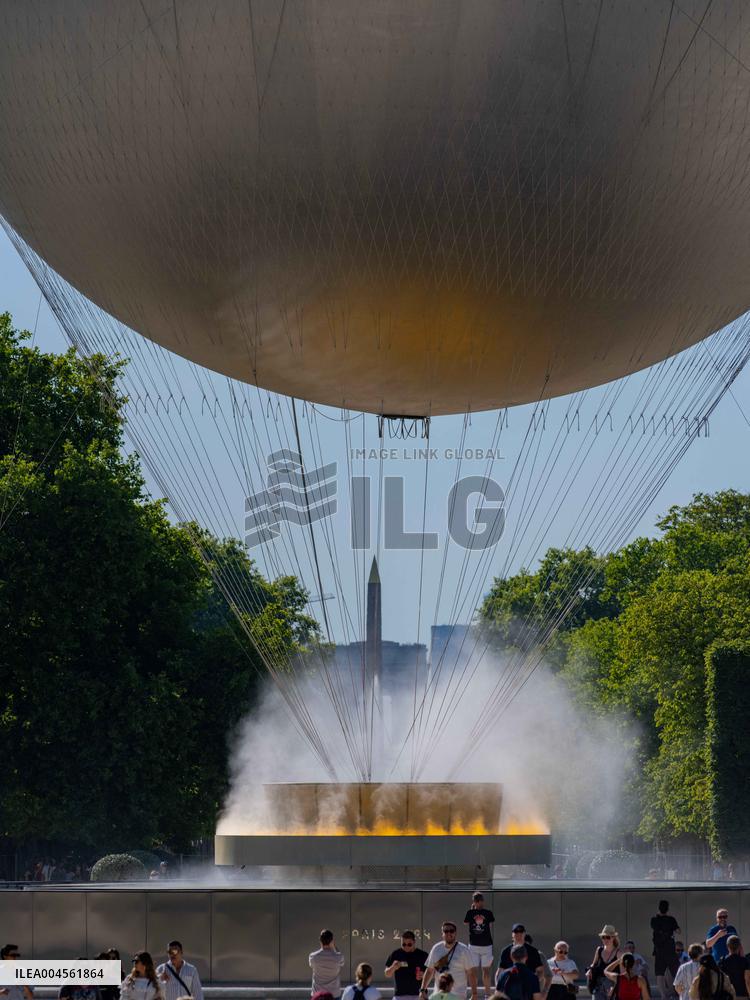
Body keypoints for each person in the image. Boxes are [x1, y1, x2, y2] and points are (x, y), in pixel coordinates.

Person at [421, 921, 478, 1000]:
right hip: (439, 996)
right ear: (442, 934)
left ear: (455, 933)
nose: (449, 933)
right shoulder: (436, 948)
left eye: (451, 931)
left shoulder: (463, 950)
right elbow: (430, 971)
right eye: (446, 931)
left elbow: (471, 973)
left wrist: (474, 993)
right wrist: (422, 990)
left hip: (458, 996)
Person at [464, 892, 495, 997]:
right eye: (477, 901)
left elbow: (490, 924)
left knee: (486, 970)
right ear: (474, 902)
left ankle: (487, 995)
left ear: (483, 901)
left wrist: (473, 912)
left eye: (480, 900)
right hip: (474, 945)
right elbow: (466, 922)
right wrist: (473, 910)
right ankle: (475, 994)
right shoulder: (471, 912)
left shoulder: (487, 913)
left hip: (486, 945)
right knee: (474, 971)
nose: (479, 903)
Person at [385, 930, 429, 1000]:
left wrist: (423, 975)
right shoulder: (396, 954)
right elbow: (387, 974)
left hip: (418, 995)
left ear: (414, 942)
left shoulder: (423, 955)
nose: (406, 947)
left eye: (409, 944)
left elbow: (432, 973)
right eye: (403, 944)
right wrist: (393, 968)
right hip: (399, 995)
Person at [651, 900, 680, 1000]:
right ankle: (676, 992)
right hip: (670, 949)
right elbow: (678, 931)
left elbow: (654, 928)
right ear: (667, 909)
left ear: (659, 908)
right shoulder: (671, 919)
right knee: (675, 971)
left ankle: (663, 996)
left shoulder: (654, 920)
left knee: (660, 973)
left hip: (659, 949)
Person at [587, 926, 622, 1000]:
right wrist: (590, 970)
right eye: (603, 937)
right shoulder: (599, 950)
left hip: (612, 986)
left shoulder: (619, 953)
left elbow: (622, 974)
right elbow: (594, 964)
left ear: (613, 938)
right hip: (598, 986)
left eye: (608, 937)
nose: (605, 940)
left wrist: (615, 987)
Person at [309, 930, 345, 999]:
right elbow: (341, 961)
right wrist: (334, 946)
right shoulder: (338, 957)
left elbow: (311, 965)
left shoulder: (313, 956)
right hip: (334, 994)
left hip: (317, 994)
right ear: (332, 941)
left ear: (320, 941)